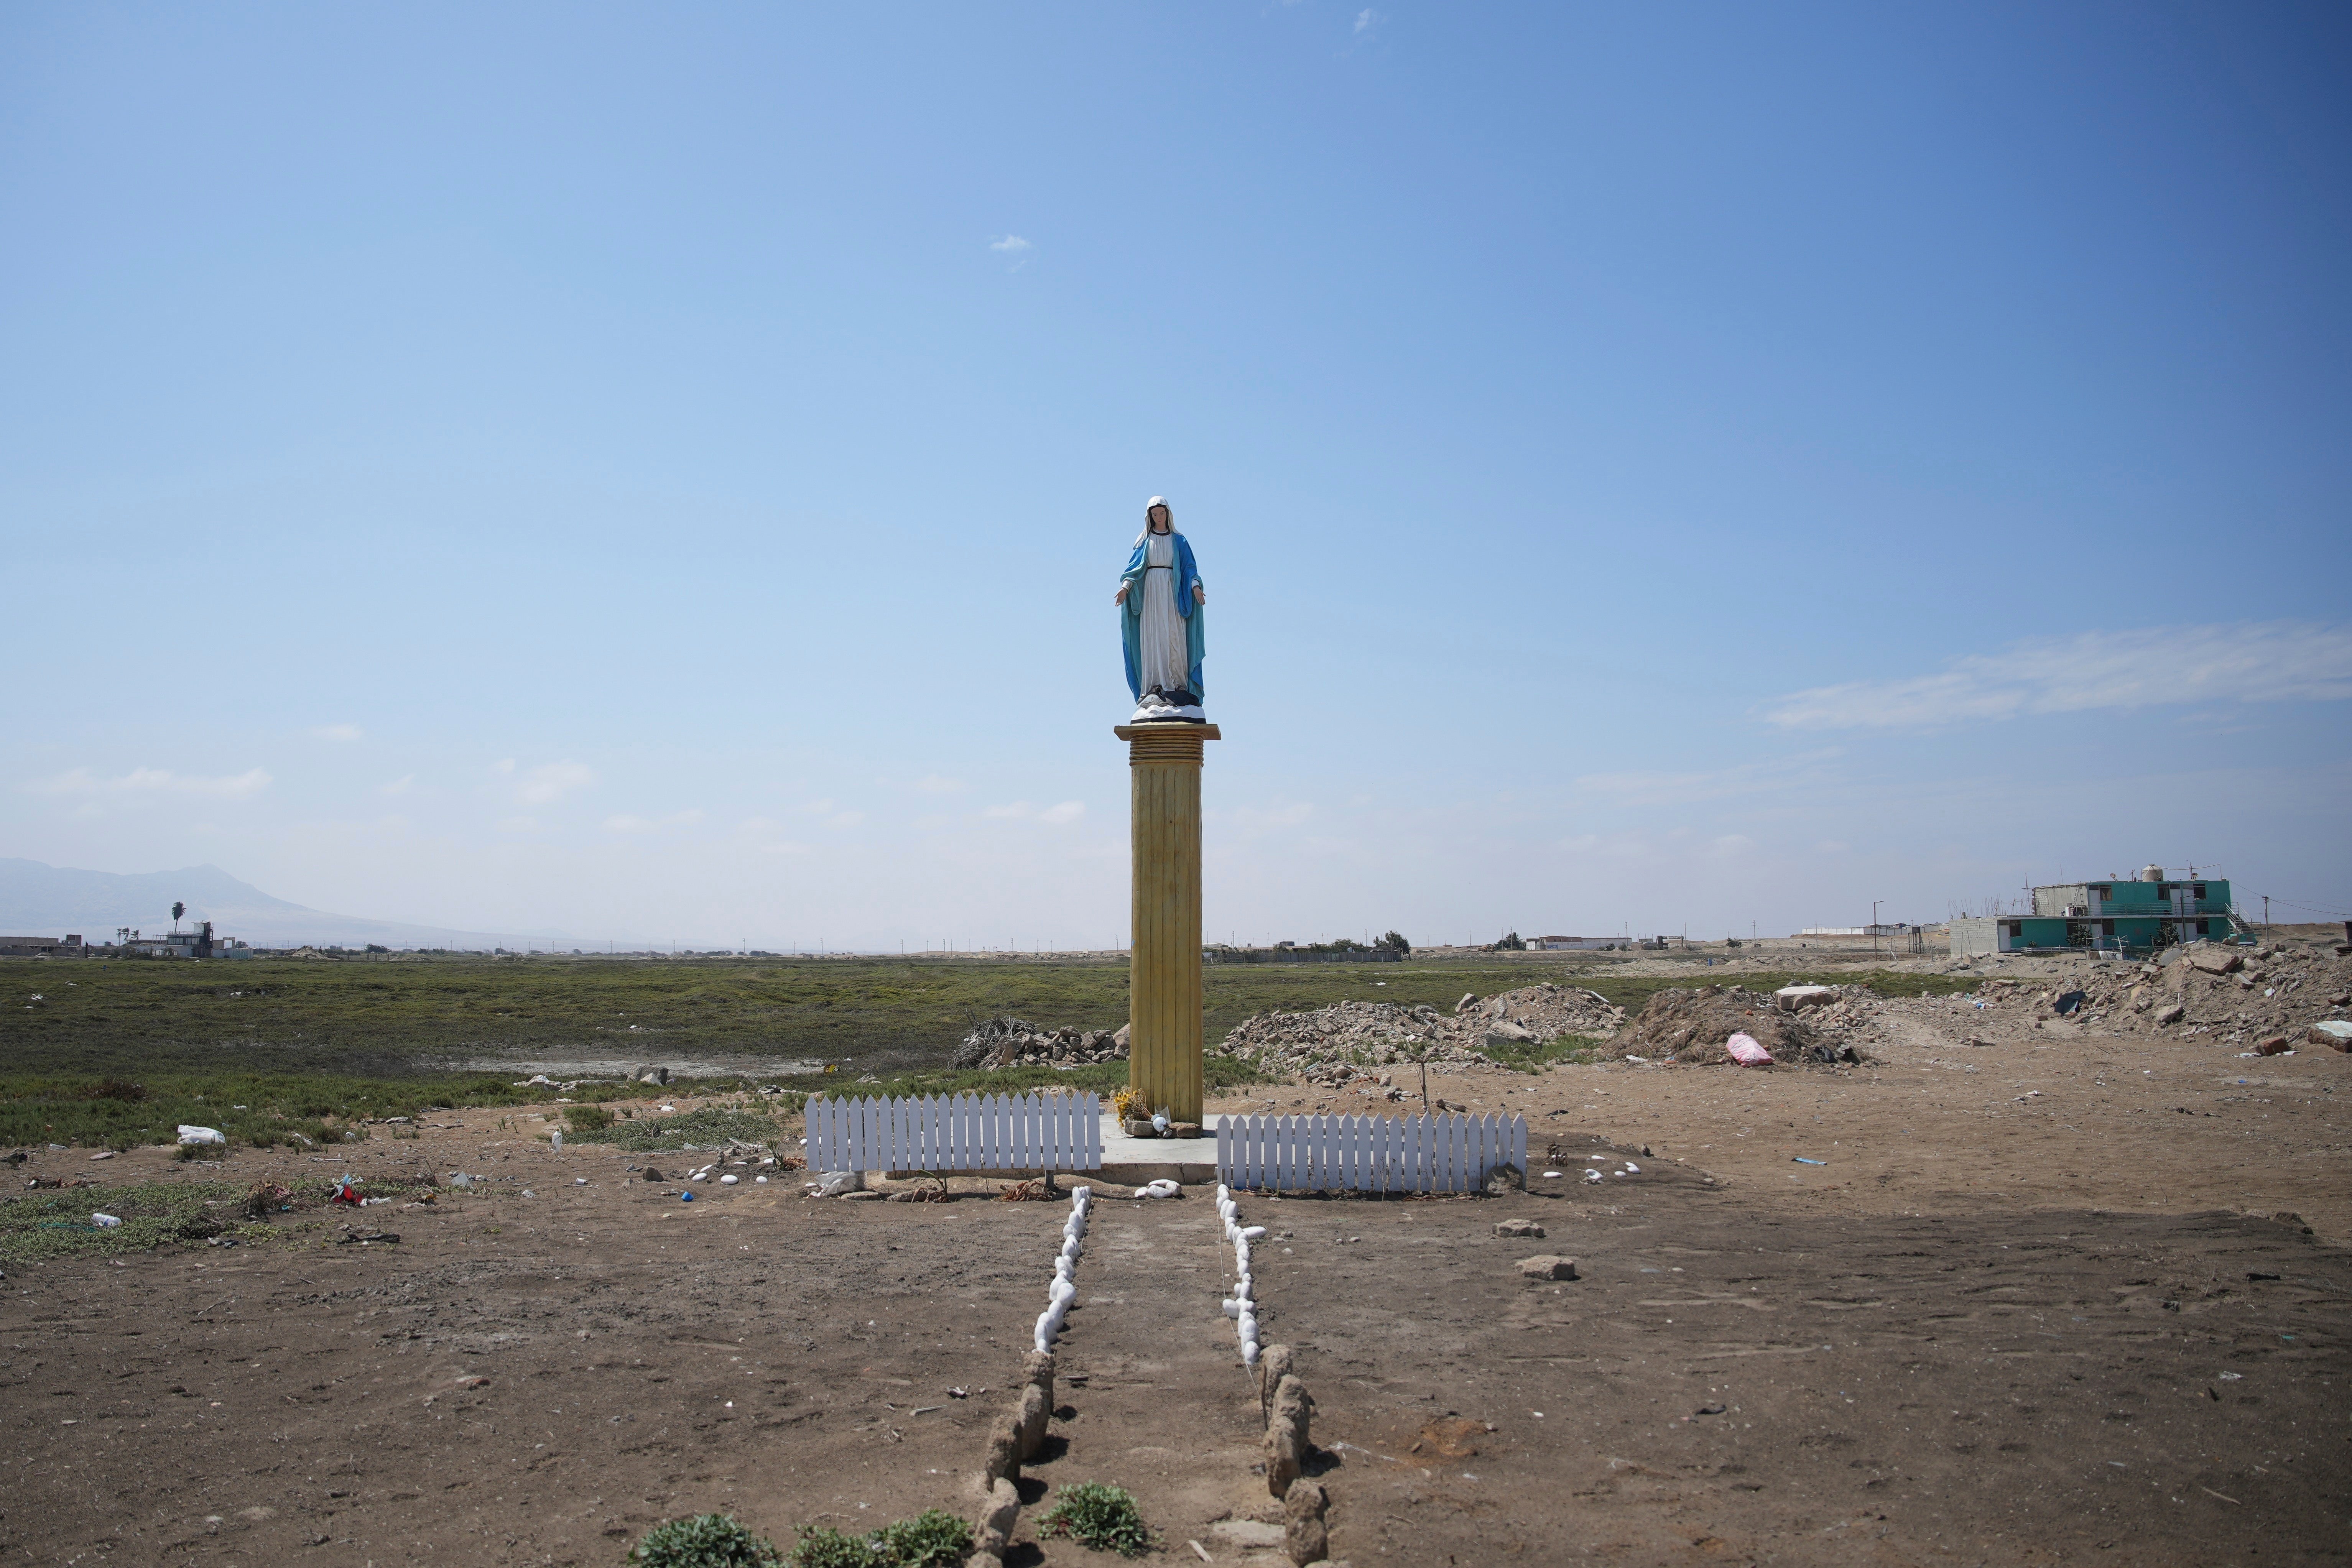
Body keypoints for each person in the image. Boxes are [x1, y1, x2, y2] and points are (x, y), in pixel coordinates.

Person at [1114, 496, 1206, 720]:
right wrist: (1125, 588)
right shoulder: (1144, 541)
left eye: (1161, 514)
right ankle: (1155, 685)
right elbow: (1134, 569)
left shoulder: (1179, 541)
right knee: (1154, 636)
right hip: (1151, 595)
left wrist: (1195, 587)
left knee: (1174, 635)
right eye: (1154, 515)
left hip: (1173, 592)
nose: (1158, 518)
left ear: (1168, 514)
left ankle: (1178, 684)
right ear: (1150, 517)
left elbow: (1189, 567)